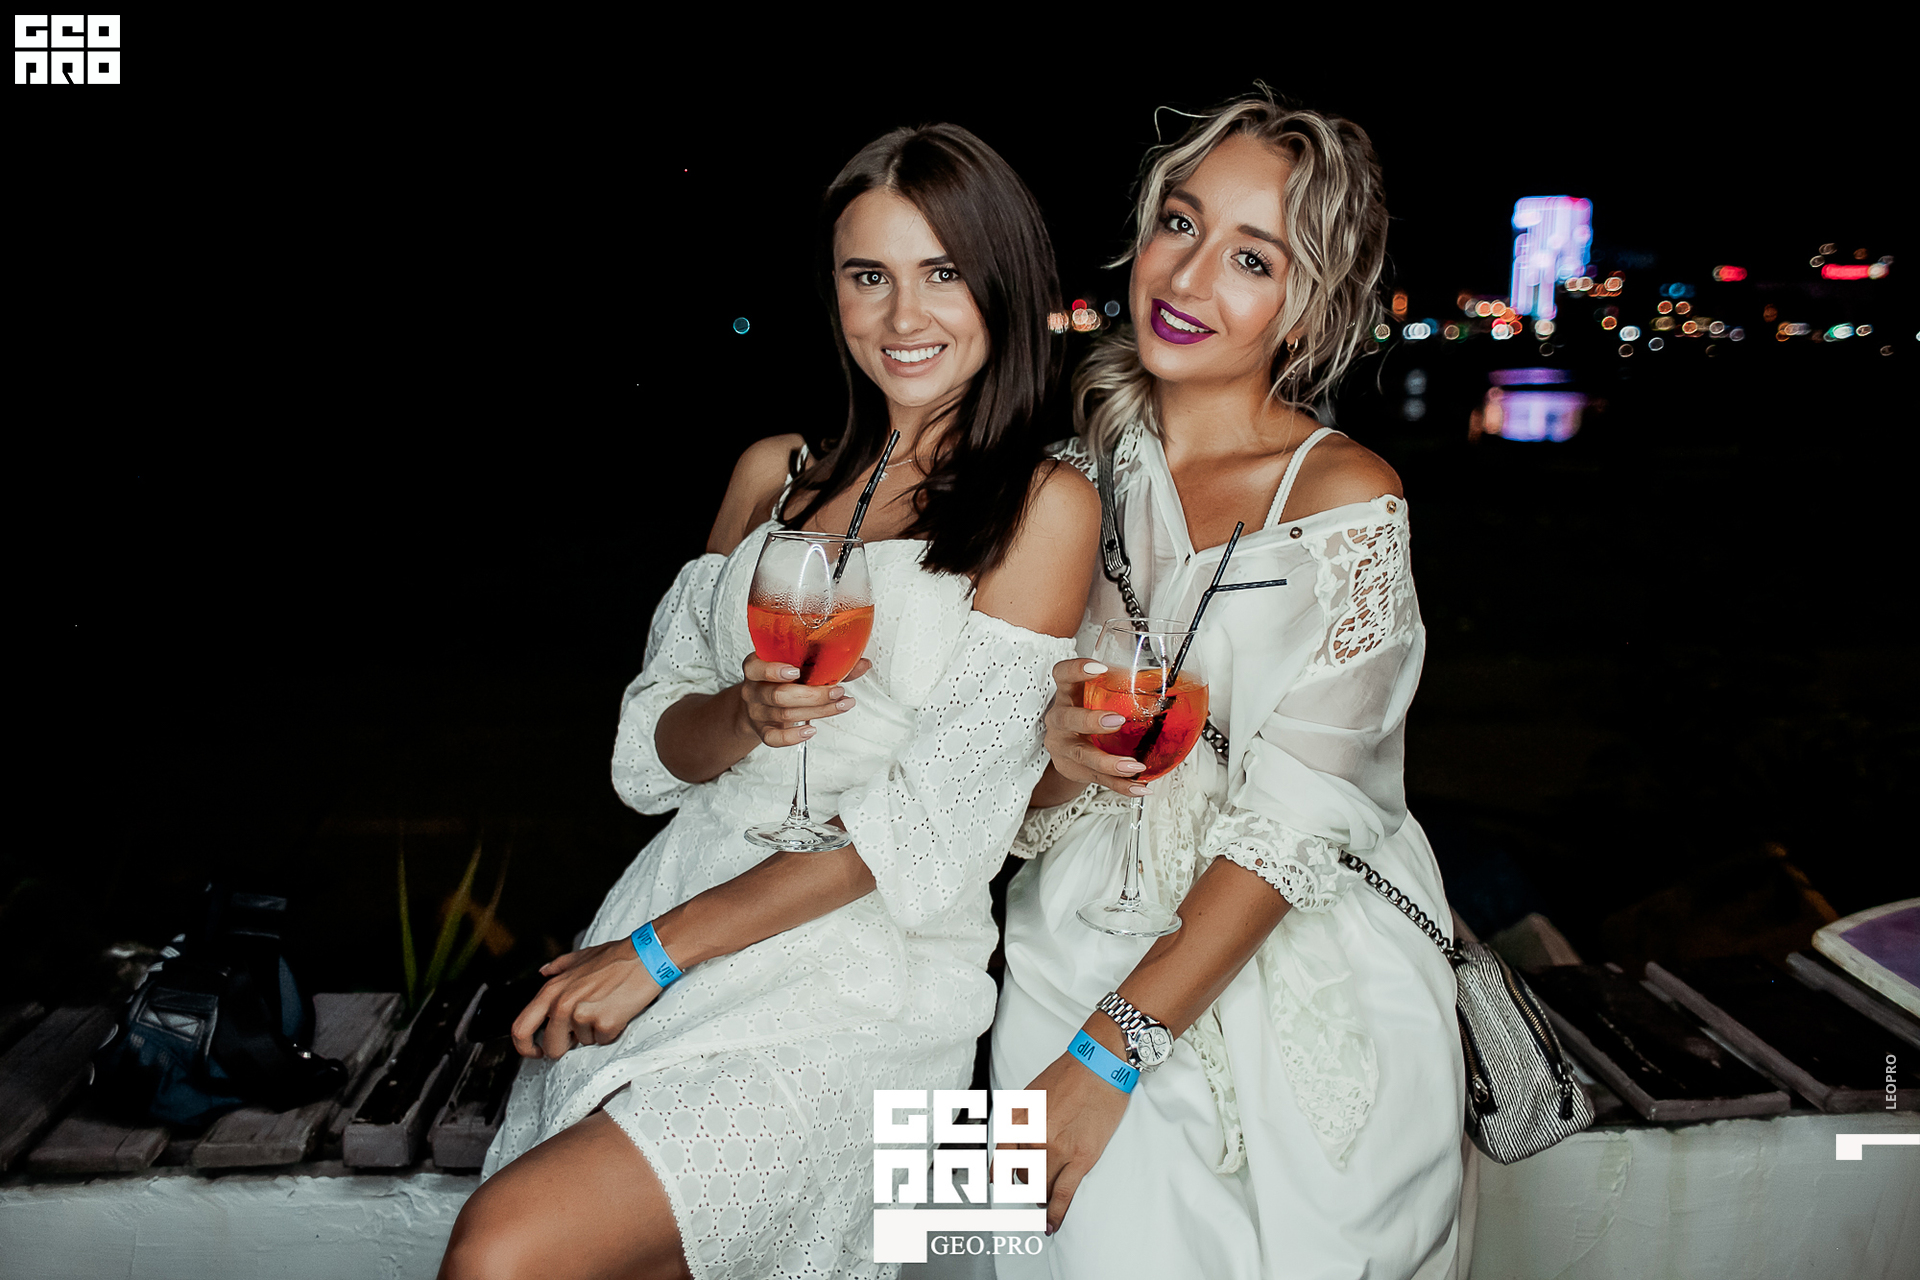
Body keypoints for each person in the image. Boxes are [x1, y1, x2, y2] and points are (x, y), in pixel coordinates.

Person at [441, 123, 1099, 1280]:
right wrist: (739, 716)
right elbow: (651, 747)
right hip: (681, 896)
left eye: (943, 272)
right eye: (869, 275)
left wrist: (654, 954)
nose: (903, 315)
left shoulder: (1042, 504)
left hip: (861, 974)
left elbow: (929, 820)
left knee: (507, 1244)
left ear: (1004, 283)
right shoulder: (775, 473)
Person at [990, 92, 1467, 1280]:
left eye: (1252, 257)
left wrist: (1107, 1056)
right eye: (1181, 223)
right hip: (1066, 932)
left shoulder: (1349, 495)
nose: (1190, 276)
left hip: (1291, 947)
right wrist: (1056, 757)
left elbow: (1302, 814)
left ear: (1308, 307)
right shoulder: (1064, 478)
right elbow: (1001, 788)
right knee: (1002, 1231)